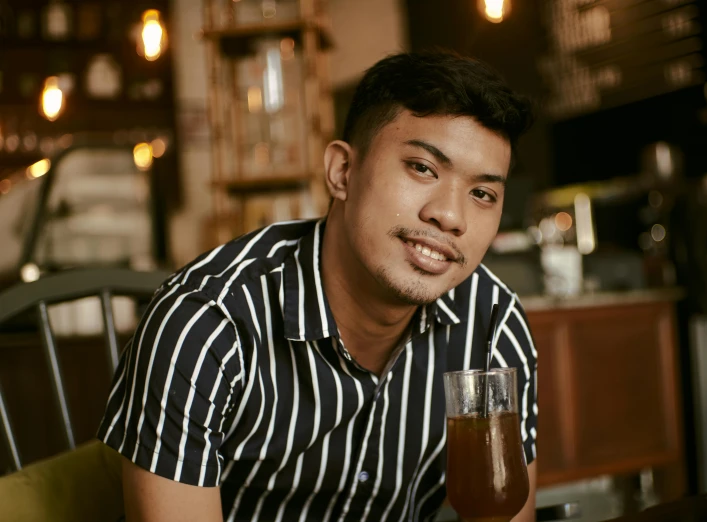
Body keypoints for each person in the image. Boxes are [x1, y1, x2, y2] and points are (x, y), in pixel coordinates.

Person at [99, 50, 538, 522]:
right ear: (342, 171)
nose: (450, 216)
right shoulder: (206, 324)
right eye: (422, 168)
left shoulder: (492, 324)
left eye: (482, 194)